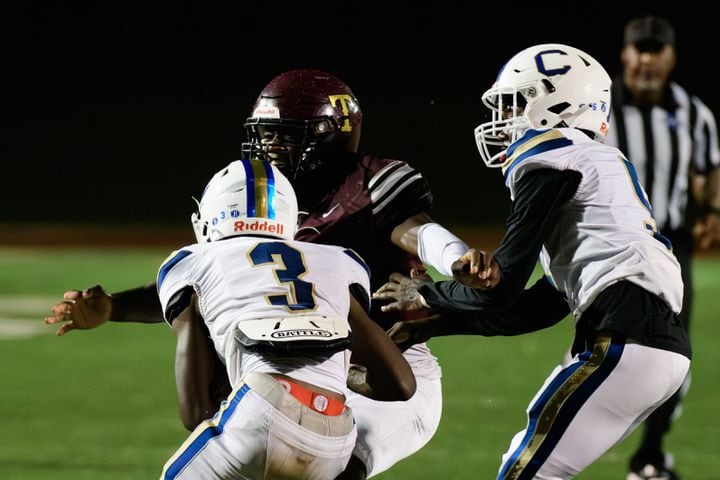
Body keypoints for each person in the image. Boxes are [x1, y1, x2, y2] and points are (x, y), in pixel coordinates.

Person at [45, 69, 470, 479]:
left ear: (330, 134)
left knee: (338, 471)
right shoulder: (266, 199)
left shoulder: (368, 186)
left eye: (284, 135)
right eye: (264, 134)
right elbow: (214, 287)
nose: (268, 146)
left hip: (386, 367)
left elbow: (417, 230)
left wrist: (456, 258)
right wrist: (117, 306)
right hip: (294, 369)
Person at [373, 44, 692, 479]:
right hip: (656, 346)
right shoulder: (594, 171)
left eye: (517, 103)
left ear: (558, 104)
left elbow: (498, 290)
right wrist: (438, 322)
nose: (503, 120)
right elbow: (536, 308)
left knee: (525, 472)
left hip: (626, 340)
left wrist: (426, 292)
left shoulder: (554, 155)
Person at [164, 159, 417, 478]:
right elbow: (402, 384)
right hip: (337, 433)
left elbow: (195, 412)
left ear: (208, 219)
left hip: (261, 407)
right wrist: (342, 375)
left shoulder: (190, 263)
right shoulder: (338, 260)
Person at [604, 15, 720, 480]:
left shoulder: (694, 112)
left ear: (671, 57)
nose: (647, 59)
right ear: (625, 55)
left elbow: (709, 168)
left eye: (656, 50)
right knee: (598, 350)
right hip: (606, 247)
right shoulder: (598, 106)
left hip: (669, 249)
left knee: (673, 356)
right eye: (639, 49)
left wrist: (711, 211)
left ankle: (649, 457)